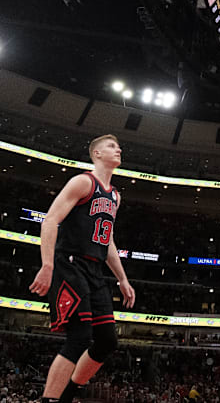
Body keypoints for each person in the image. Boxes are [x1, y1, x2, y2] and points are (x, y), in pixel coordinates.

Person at [28, 134, 136, 403]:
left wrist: (122, 278)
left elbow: (107, 240)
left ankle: (68, 395)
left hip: (96, 270)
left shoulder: (115, 196)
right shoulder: (83, 182)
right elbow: (50, 220)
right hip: (70, 264)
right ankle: (50, 400)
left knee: (107, 341)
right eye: (111, 146)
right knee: (79, 337)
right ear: (96, 154)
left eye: (118, 146)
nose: (118, 148)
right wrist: (47, 265)